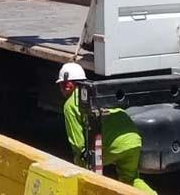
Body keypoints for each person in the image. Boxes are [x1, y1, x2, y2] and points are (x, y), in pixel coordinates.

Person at [57, 62, 156, 194]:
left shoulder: (70, 105)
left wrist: (80, 162)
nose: (60, 90)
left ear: (68, 85)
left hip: (115, 143)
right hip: (133, 138)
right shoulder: (98, 91)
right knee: (130, 180)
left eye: (61, 85)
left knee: (83, 166)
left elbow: (78, 144)